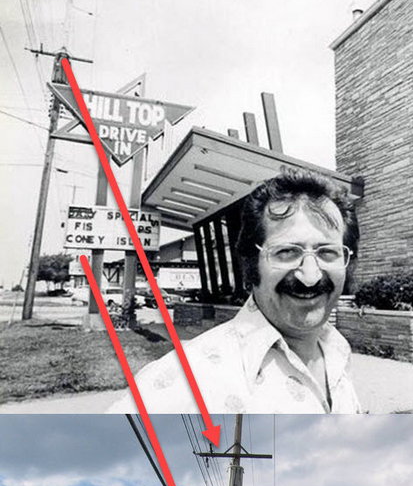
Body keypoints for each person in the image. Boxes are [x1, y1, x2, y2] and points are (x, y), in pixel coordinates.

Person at [108, 168, 362, 413]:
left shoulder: (337, 351)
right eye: (286, 252)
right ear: (251, 265)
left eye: (327, 252)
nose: (310, 276)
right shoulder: (189, 377)